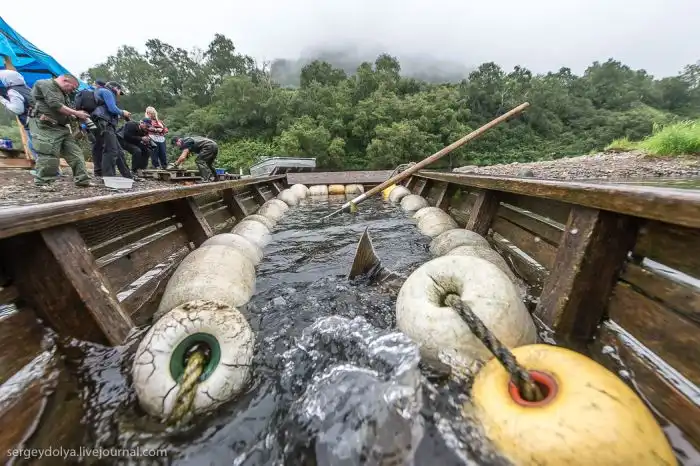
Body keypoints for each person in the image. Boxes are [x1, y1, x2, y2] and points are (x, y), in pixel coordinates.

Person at [28, 74, 91, 189]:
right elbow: (55, 104)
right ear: (65, 80)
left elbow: (66, 110)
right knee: (49, 154)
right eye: (72, 87)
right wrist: (77, 113)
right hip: (45, 125)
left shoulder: (64, 94)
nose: (72, 91)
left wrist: (76, 117)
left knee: (75, 153)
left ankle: (83, 180)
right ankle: (43, 183)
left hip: (61, 127)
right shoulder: (44, 83)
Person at [91, 81, 131, 177]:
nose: (119, 95)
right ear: (115, 88)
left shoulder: (98, 92)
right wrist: (123, 112)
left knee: (118, 151)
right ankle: (109, 176)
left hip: (103, 124)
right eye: (119, 92)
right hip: (104, 124)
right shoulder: (106, 91)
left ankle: (127, 175)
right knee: (111, 150)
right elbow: (112, 108)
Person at [0, 70, 37, 160]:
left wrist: (3, 100)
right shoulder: (27, 88)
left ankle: (45, 170)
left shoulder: (13, 91)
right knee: (37, 145)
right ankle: (47, 169)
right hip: (37, 121)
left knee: (34, 146)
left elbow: (17, 109)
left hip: (30, 121)